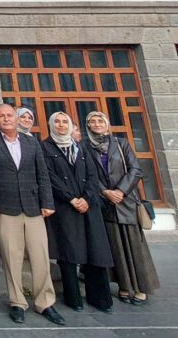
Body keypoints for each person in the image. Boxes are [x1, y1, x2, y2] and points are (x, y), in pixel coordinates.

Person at [0, 104, 65, 326]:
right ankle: (17, 302)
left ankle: (45, 302)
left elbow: (42, 175)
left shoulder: (31, 142)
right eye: (1, 116)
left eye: (10, 115)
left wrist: (47, 202)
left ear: (17, 119)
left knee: (40, 256)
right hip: (5, 208)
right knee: (11, 257)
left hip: (33, 206)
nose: (6, 119)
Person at [41, 112, 114, 313]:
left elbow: (92, 175)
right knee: (68, 252)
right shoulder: (44, 147)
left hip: (88, 205)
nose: (61, 125)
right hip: (65, 206)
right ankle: (74, 298)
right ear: (50, 125)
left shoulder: (80, 147)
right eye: (57, 121)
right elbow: (49, 176)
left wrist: (87, 198)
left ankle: (100, 297)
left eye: (65, 122)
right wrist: (71, 198)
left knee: (95, 250)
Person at [85, 111, 160, 306]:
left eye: (100, 120)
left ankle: (141, 287)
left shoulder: (121, 144)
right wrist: (105, 192)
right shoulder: (85, 146)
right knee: (115, 246)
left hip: (126, 202)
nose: (96, 124)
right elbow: (87, 174)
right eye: (92, 122)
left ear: (107, 124)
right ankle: (124, 286)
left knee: (135, 246)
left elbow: (135, 170)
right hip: (105, 203)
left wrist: (120, 191)